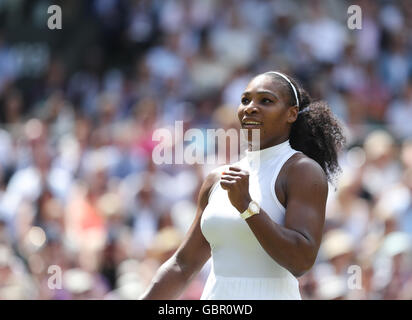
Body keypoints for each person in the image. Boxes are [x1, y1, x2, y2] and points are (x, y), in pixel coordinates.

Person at [140, 71, 345, 300]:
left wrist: (247, 207)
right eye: (245, 100)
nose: (250, 107)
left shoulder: (302, 171)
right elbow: (183, 265)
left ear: (291, 114)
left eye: (266, 100)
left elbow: (300, 261)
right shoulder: (217, 179)